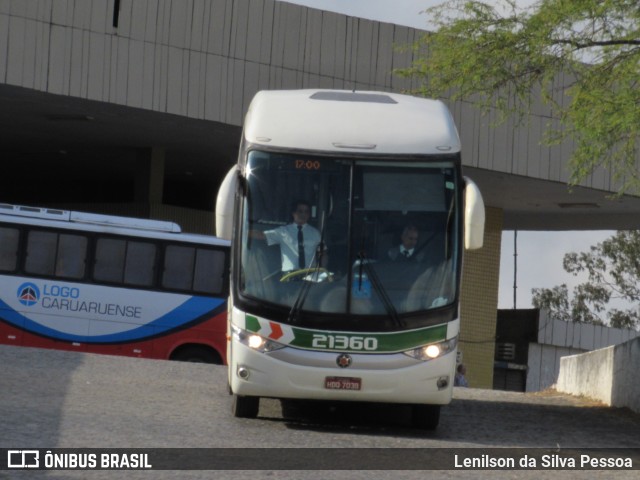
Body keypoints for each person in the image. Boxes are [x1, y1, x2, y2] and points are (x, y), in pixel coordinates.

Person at [254, 200, 324, 273]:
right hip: (289, 277)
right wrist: (243, 229)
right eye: (300, 211)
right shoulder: (284, 231)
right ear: (293, 213)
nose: (303, 214)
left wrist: (322, 271)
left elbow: (323, 253)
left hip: (310, 276)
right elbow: (261, 235)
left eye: (306, 212)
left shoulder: (315, 233)